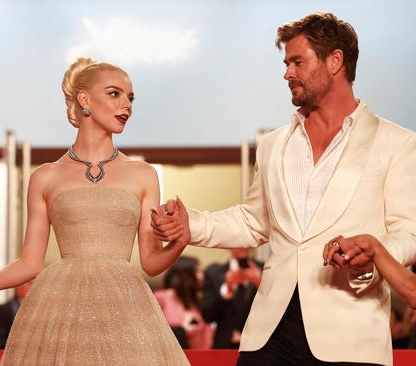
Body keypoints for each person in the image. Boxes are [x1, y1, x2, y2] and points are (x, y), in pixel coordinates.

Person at [152, 12, 416, 366]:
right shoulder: (274, 144)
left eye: (297, 61)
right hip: (267, 336)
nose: (287, 73)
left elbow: (408, 231)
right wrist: (191, 225)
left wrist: (371, 251)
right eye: (286, 63)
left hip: (350, 337)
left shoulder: (397, 143)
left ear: (335, 61)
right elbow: (252, 222)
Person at [0, 57, 190, 365]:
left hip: (125, 309)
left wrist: (180, 240)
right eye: (115, 94)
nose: (127, 105)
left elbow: (150, 262)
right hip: (61, 309)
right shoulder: (45, 176)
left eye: (130, 97)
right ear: (84, 100)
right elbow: (30, 262)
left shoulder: (143, 174)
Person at [200, 249, 262, 349]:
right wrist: (226, 289)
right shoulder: (214, 274)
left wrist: (261, 284)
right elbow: (207, 315)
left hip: (260, 345)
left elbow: (280, 309)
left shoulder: (266, 270)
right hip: (225, 346)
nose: (241, 244)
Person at [154, 256, 213, 349]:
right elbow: (152, 333)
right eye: (197, 271)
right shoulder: (161, 298)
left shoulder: (195, 302)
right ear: (186, 275)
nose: (202, 276)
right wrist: (183, 330)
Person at [0, 280, 32, 349]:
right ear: (18, 286)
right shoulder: (0, 311)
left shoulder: (40, 311)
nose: (33, 287)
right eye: (30, 283)